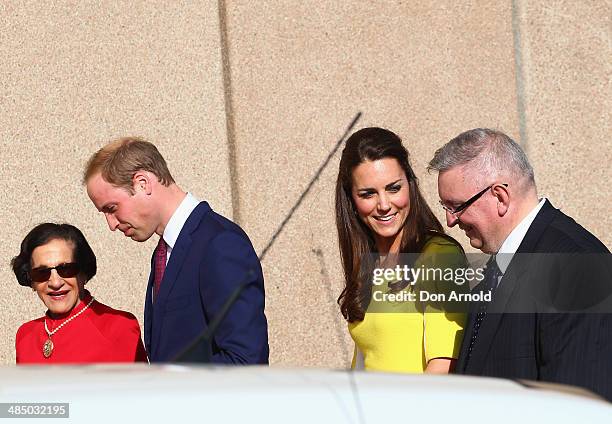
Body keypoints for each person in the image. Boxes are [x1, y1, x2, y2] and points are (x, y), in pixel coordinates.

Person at [428, 128, 612, 399]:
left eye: (456, 206)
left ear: (500, 197)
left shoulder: (576, 268)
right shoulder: (499, 267)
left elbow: (577, 405)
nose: (450, 221)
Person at [83, 137, 268, 364]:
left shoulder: (220, 244)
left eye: (111, 209)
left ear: (143, 183)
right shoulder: (163, 253)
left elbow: (246, 363)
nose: (111, 224)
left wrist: (170, 388)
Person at [336, 127, 467, 374]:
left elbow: (442, 369)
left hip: (416, 411)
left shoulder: (439, 257)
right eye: (368, 194)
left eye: (394, 188)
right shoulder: (369, 264)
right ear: (351, 200)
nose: (384, 205)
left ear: (410, 184)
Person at [13, 223, 147, 363]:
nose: (55, 283)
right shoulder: (26, 335)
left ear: (83, 273)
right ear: (31, 281)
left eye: (66, 269)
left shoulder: (118, 327)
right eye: (41, 273)